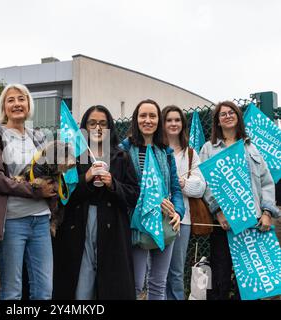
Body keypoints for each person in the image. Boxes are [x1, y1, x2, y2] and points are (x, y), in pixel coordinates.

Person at [52, 105, 139, 300]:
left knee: (111, 284)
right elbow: (64, 196)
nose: (98, 127)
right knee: (81, 283)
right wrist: (87, 178)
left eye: (103, 123)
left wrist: (113, 184)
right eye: (92, 123)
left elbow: (133, 194)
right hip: (79, 224)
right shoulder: (72, 157)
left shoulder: (121, 156)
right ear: (84, 127)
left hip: (113, 227)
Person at [0, 84, 56, 300]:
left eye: (21, 99)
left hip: (41, 221)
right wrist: (35, 191)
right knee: (12, 292)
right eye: (11, 100)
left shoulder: (39, 137)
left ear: (28, 104)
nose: (17, 104)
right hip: (12, 222)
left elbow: (51, 174)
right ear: (3, 106)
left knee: (44, 292)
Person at [200, 101, 279, 300]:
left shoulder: (251, 148)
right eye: (222, 114)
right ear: (217, 121)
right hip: (223, 225)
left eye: (231, 112)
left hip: (253, 224)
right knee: (221, 277)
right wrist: (218, 211)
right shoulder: (209, 149)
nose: (227, 116)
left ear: (238, 117)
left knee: (251, 283)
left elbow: (266, 182)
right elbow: (204, 183)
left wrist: (268, 213)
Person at [120, 99, 185, 300]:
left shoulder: (165, 152)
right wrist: (153, 199)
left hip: (165, 222)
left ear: (159, 120)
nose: (147, 120)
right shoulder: (123, 149)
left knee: (158, 284)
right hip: (135, 224)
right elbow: (121, 187)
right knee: (136, 283)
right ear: (135, 119)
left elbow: (175, 188)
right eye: (143, 115)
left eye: (152, 116)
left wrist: (178, 213)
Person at [162, 105, 206, 300]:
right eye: (169, 120)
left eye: (177, 120)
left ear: (183, 124)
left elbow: (201, 186)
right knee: (155, 270)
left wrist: (183, 183)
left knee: (176, 271)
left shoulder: (190, 154)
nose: (173, 123)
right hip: (155, 217)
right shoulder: (155, 149)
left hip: (183, 218)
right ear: (163, 123)